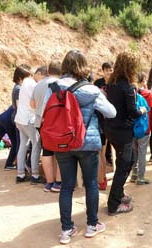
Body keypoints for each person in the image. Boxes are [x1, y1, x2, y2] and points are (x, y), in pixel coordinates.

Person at [54, 50, 116, 244]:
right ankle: (92, 225)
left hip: (62, 142)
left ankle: (66, 230)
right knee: (90, 184)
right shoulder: (90, 89)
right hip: (86, 143)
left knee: (66, 186)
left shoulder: (53, 88)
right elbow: (111, 112)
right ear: (83, 66)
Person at [105, 51, 146, 215]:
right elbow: (132, 112)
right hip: (123, 132)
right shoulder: (128, 86)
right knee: (123, 166)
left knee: (129, 161)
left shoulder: (111, 83)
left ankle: (118, 193)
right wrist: (142, 110)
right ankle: (113, 205)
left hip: (111, 129)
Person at [30, 61, 62, 192]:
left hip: (40, 122)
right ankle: (59, 182)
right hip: (56, 122)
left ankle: (49, 182)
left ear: (48, 71)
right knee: (60, 151)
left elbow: (32, 104)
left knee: (47, 150)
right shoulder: (59, 84)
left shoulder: (38, 85)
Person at [14, 68, 43, 184]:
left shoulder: (24, 83)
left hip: (20, 119)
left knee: (23, 145)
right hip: (28, 119)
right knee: (36, 144)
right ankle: (35, 175)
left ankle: (20, 174)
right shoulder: (31, 83)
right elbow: (34, 103)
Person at [131, 77, 152, 185]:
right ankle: (141, 177)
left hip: (132, 129)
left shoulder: (129, 95)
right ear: (143, 82)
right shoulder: (149, 95)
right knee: (142, 153)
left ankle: (134, 174)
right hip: (144, 129)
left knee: (134, 153)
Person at [93, 62, 114, 191]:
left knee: (103, 150)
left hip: (110, 118)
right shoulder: (98, 83)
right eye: (106, 70)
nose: (108, 72)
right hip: (99, 119)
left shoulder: (114, 83)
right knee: (101, 150)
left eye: (110, 69)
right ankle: (102, 178)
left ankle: (102, 177)